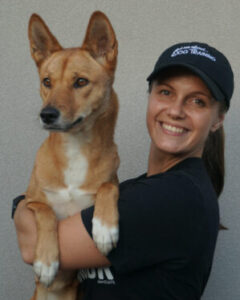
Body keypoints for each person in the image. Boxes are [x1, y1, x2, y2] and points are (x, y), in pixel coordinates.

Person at [13, 41, 234, 300]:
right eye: (166, 92)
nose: (175, 110)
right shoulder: (135, 190)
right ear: (150, 97)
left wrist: (21, 204)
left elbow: (32, 247)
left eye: (197, 101)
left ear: (218, 119)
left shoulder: (176, 197)